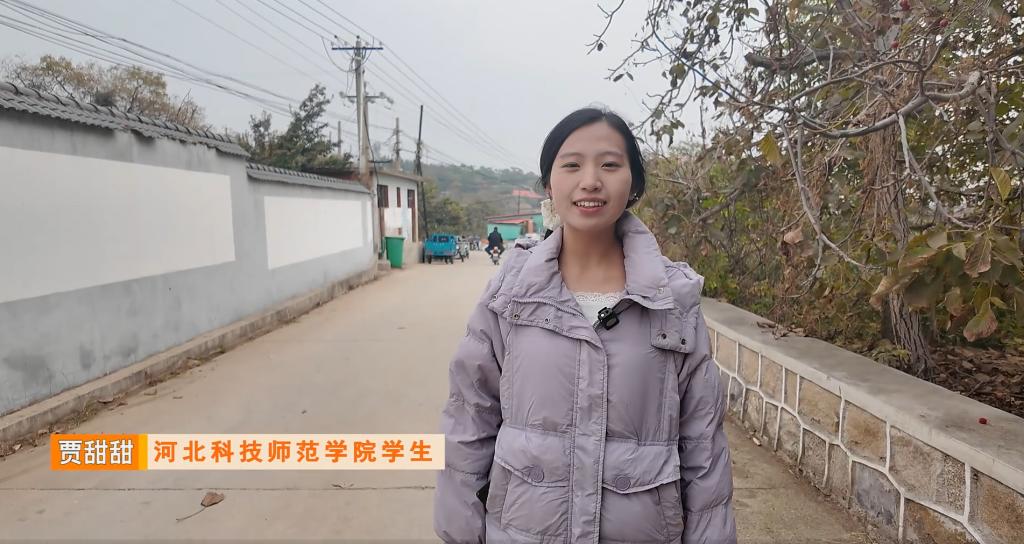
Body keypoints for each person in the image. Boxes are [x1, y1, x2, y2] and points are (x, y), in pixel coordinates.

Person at [434, 108, 737, 543]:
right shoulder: (510, 293)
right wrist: (461, 533)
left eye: (610, 165)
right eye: (572, 165)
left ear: (634, 183)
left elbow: (703, 443)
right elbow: (469, 420)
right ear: (549, 184)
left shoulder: (673, 298)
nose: (591, 181)